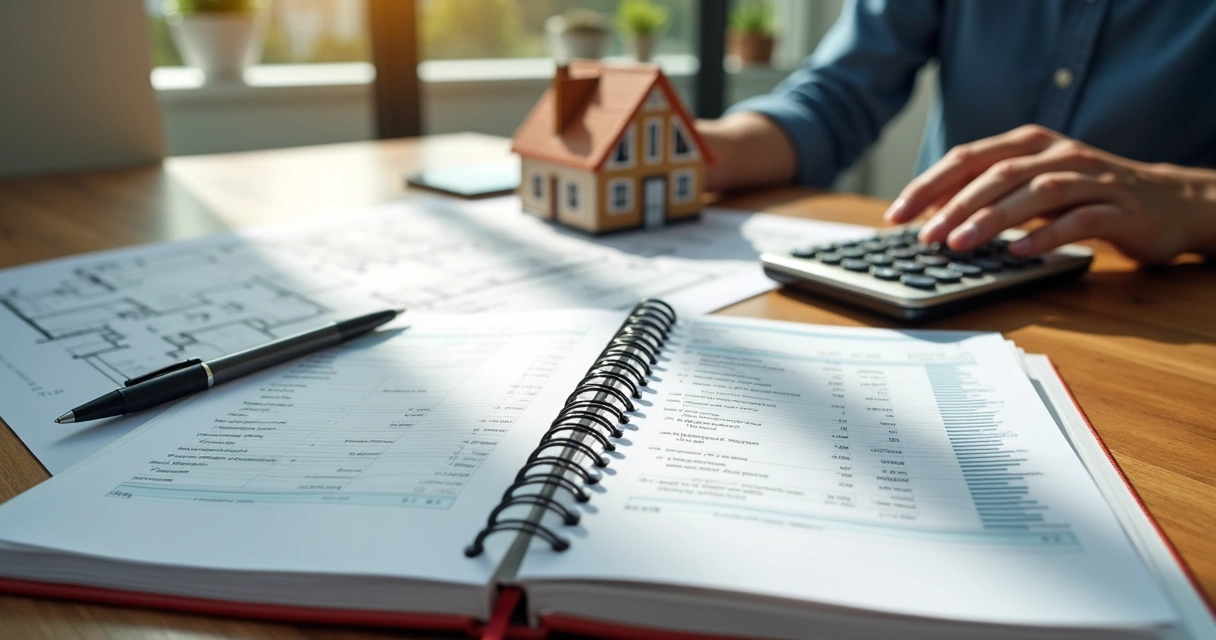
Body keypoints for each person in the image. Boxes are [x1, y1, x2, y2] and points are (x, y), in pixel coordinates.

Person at [698, 0, 1216, 264]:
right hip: (943, 270)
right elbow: (835, 99)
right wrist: (696, 151)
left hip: (1154, 312)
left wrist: (1193, 200)